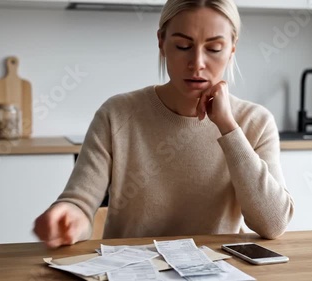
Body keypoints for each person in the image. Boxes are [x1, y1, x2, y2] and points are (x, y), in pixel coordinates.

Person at [33, 0, 294, 248]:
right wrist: (66, 218)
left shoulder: (256, 122)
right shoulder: (117, 115)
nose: (197, 64)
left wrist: (228, 127)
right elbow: (79, 204)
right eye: (183, 46)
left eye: (214, 48)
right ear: (161, 42)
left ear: (232, 48)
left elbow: (273, 224)